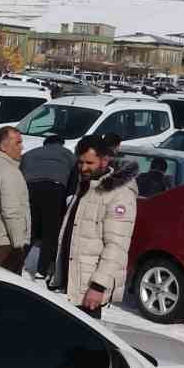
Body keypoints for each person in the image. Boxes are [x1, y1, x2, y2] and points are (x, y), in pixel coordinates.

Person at [52, 135, 139, 319]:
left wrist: (98, 286)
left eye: (89, 162)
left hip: (89, 288)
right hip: (72, 281)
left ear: (104, 160)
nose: (83, 168)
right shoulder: (86, 185)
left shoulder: (119, 194)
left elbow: (117, 246)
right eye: (80, 162)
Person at [22, 133, 75, 281]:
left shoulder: (30, 153)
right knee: (50, 232)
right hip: (55, 190)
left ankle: (17, 262)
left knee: (29, 229)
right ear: (61, 144)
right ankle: (42, 269)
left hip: (31, 188)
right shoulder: (68, 154)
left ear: (45, 144)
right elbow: (74, 176)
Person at [0, 127, 31, 273]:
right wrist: (18, 245)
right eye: (18, 143)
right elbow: (11, 211)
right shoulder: (9, 171)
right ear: (3, 146)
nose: (22, 147)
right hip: (4, 244)